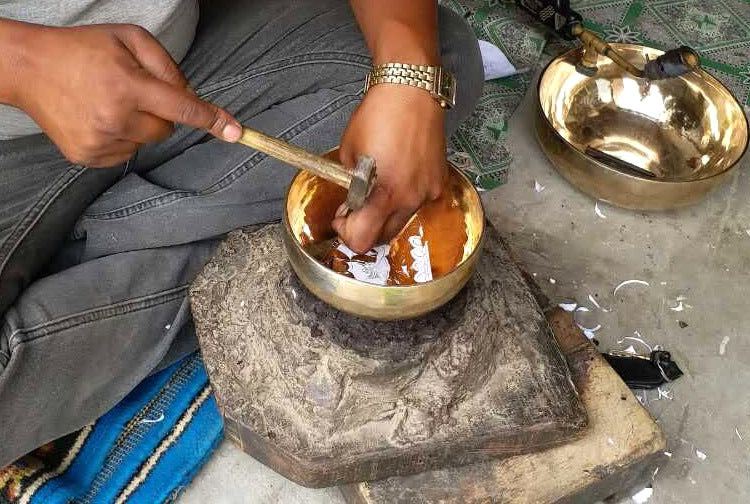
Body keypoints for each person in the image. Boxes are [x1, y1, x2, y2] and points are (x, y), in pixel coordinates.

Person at [0, 0, 483, 467]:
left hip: (187, 69)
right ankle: (188, 245)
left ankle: (100, 246)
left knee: (437, 67)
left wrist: (405, 75)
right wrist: (23, 64)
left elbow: (410, 64)